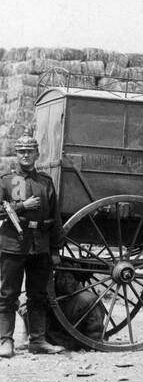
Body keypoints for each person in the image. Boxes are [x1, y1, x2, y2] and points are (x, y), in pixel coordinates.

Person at [0, 135, 64, 357]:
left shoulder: (45, 182)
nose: (25, 155)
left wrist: (55, 249)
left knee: (38, 295)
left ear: (37, 155)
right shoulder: (6, 180)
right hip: (13, 246)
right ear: (16, 155)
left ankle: (37, 340)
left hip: (40, 247)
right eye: (21, 151)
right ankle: (5, 341)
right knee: (8, 294)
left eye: (30, 151)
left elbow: (55, 218)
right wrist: (21, 206)